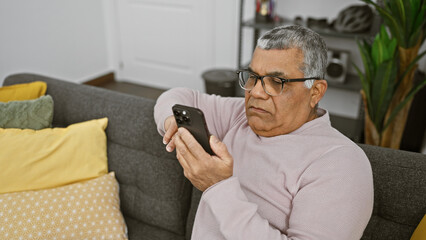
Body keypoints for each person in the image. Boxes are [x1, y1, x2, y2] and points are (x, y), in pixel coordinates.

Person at [154, 25, 373, 240]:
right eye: (253, 77)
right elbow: (177, 96)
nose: (256, 92)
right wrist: (171, 121)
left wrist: (218, 187)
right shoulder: (240, 116)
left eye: (276, 82)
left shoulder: (340, 163)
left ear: (315, 92)